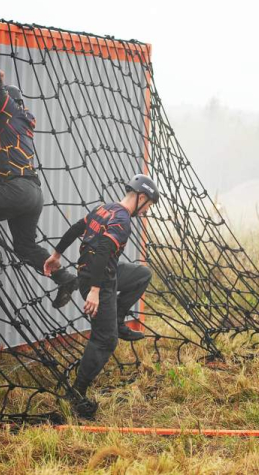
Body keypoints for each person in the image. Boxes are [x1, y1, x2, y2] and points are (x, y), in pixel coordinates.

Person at [0, 30, 78, 306]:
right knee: (25, 247)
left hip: (18, 187)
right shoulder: (23, 118)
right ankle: (65, 278)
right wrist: (1, 82)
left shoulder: (7, 111)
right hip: (33, 193)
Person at [43, 174, 158, 418]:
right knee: (105, 340)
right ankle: (77, 394)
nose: (146, 210)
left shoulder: (103, 209)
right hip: (98, 279)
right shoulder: (122, 220)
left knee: (141, 274)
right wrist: (95, 291)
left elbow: (76, 228)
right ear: (141, 197)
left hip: (107, 273)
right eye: (147, 205)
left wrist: (56, 254)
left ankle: (117, 319)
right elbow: (103, 251)